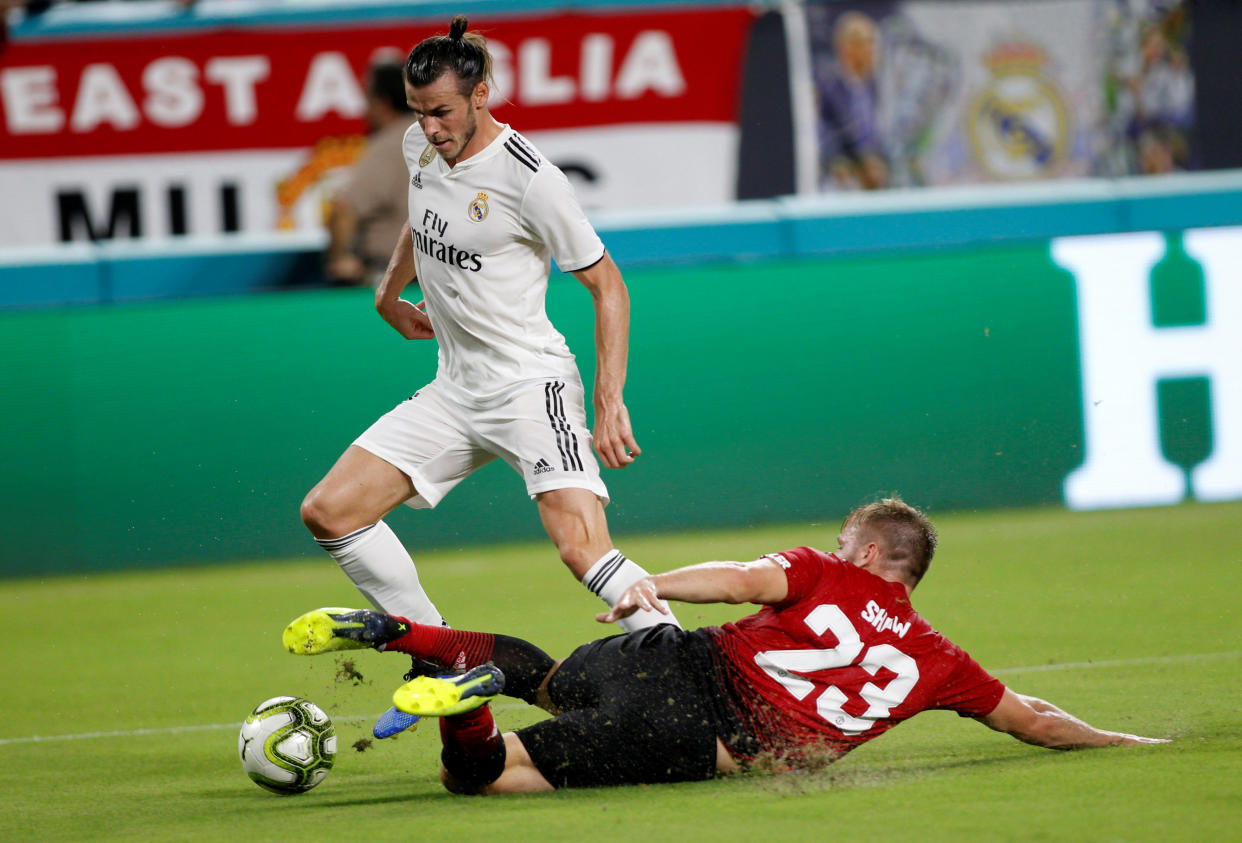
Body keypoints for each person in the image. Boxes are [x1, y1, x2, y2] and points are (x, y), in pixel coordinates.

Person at [299, 15, 679, 738]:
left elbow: (609, 287)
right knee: (330, 510)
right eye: (419, 112)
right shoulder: (420, 145)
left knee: (582, 549)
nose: (431, 128)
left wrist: (608, 399)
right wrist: (387, 295)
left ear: (482, 94)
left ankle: (691, 671)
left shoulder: (530, 179)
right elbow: (422, 218)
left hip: (528, 386)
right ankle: (438, 653)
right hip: (454, 388)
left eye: (442, 111)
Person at [284, 497, 1167, 793]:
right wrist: (1123, 741)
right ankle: (456, 695)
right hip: (694, 735)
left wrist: (651, 586)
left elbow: (744, 577)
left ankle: (426, 642)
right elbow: (1036, 720)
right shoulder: (943, 665)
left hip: (667, 655)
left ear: (865, 552)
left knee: (547, 677)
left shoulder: (825, 570)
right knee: (474, 775)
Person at [323, 57, 419, 286]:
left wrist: (340, 260)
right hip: (444, 271)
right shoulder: (432, 134)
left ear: (382, 102)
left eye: (366, 99)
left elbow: (343, 210)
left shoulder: (388, 144)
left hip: (393, 279)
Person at [817, 11, 889, 190]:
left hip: (873, 172)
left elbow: (879, 131)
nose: (871, 50)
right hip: (842, 174)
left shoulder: (874, 85)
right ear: (846, 48)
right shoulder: (828, 86)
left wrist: (878, 160)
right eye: (864, 43)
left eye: (872, 43)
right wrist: (841, 163)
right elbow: (823, 133)